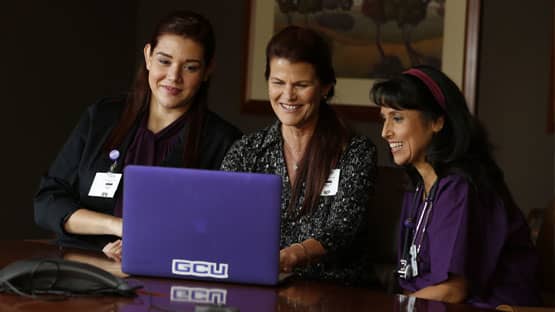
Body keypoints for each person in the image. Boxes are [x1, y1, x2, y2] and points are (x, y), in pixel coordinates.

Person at [34, 10, 242, 257]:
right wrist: (119, 227)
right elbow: (47, 202)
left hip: (168, 275)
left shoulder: (223, 141)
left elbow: (221, 229)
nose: (173, 77)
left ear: (207, 70)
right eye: (164, 61)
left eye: (190, 67)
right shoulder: (102, 117)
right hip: (85, 266)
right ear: (148, 56)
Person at [370, 65, 541, 307]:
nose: (385, 132)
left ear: (437, 122)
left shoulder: (460, 187)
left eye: (397, 118)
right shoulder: (418, 185)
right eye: (383, 119)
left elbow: (452, 291)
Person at [221, 26, 377, 286]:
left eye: (301, 85)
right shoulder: (246, 151)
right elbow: (222, 217)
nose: (288, 95)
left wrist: (294, 255)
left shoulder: (354, 151)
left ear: (325, 87)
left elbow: (342, 229)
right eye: (278, 83)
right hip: (262, 286)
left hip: (336, 290)